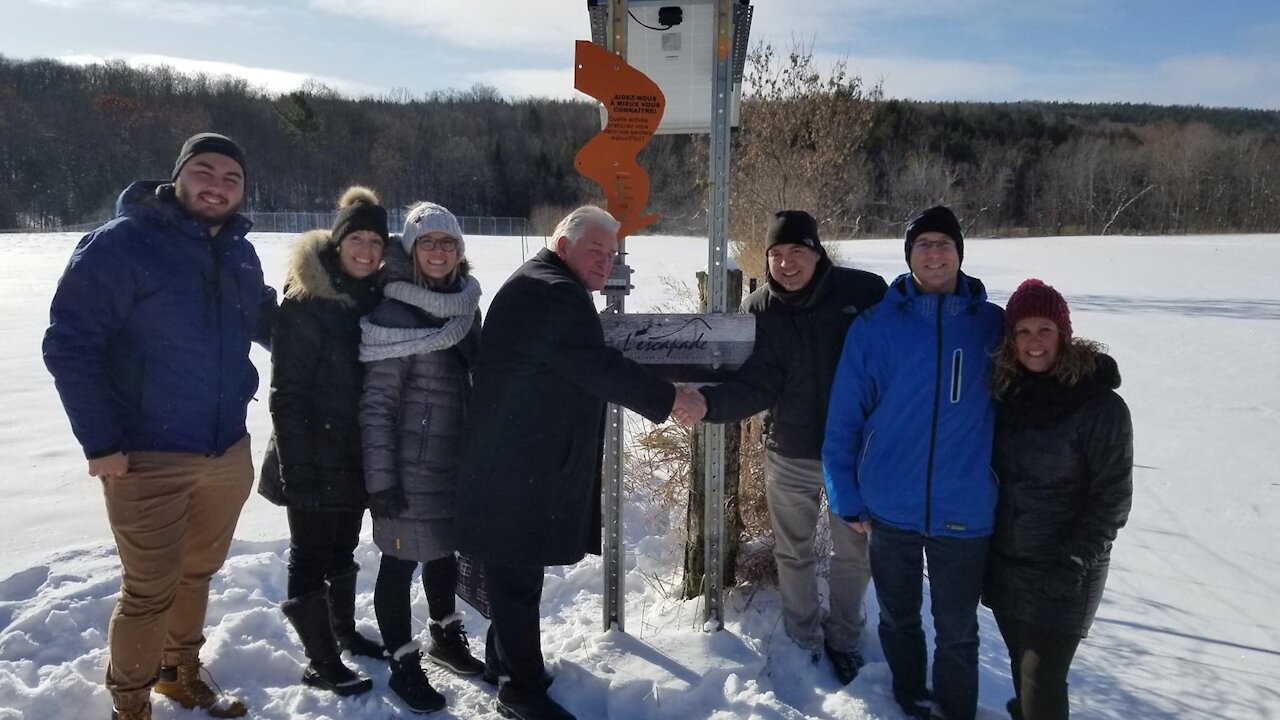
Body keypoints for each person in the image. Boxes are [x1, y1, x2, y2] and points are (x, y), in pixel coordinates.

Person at [43, 132, 276, 720]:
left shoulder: (240, 253)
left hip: (225, 449)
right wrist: (101, 443)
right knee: (148, 589)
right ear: (177, 176)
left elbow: (266, 319)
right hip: (145, 455)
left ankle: (178, 673)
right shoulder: (122, 245)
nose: (217, 186)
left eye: (232, 178)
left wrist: (340, 312)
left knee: (198, 571)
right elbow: (70, 345)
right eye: (205, 171)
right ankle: (130, 704)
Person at [455, 206, 701, 720]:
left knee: (515, 570)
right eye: (596, 250)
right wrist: (669, 399)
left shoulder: (543, 282)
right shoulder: (553, 292)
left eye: (611, 254)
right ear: (563, 245)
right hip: (515, 466)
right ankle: (520, 692)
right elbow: (597, 367)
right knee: (517, 578)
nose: (606, 261)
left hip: (514, 461)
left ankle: (504, 662)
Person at [679, 210, 886, 683]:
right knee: (793, 551)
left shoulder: (864, 294)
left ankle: (845, 638)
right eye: (776, 255)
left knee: (853, 553)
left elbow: (898, 353)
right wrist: (706, 404)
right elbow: (757, 385)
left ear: (817, 252)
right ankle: (804, 634)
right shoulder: (759, 310)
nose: (786, 264)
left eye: (797, 252)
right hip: (790, 451)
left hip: (854, 455)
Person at [822, 205, 1003, 720]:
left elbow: (1043, 374)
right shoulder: (876, 326)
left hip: (965, 506)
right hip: (889, 504)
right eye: (922, 244)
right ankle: (910, 700)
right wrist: (845, 494)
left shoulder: (993, 327)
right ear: (908, 255)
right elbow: (844, 418)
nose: (934, 253)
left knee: (958, 629)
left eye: (944, 243)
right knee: (899, 618)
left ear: (960, 254)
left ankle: (956, 709)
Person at [257, 186, 390, 697]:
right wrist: (298, 471)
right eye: (356, 238)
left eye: (376, 241)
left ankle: (343, 632)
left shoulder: (373, 298)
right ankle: (320, 660)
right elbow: (286, 397)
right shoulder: (305, 303)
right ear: (337, 244)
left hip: (355, 453)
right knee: (309, 555)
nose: (366, 250)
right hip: (308, 454)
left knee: (342, 547)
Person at [982, 279, 1133, 720]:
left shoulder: (1100, 406)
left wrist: (1072, 560)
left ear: (1063, 334)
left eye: (1044, 330)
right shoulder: (1003, 395)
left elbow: (1112, 500)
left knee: (1040, 678)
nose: (1034, 343)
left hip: (1067, 568)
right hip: (1009, 562)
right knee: (1022, 671)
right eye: (1023, 332)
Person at [358, 201, 486, 713]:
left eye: (448, 242)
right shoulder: (393, 312)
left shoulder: (465, 306)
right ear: (411, 250)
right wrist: (381, 480)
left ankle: (444, 635)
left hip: (454, 462)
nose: (439, 251)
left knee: (443, 554)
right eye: (428, 242)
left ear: (459, 252)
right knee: (397, 564)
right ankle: (403, 663)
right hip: (406, 469)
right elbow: (377, 407)